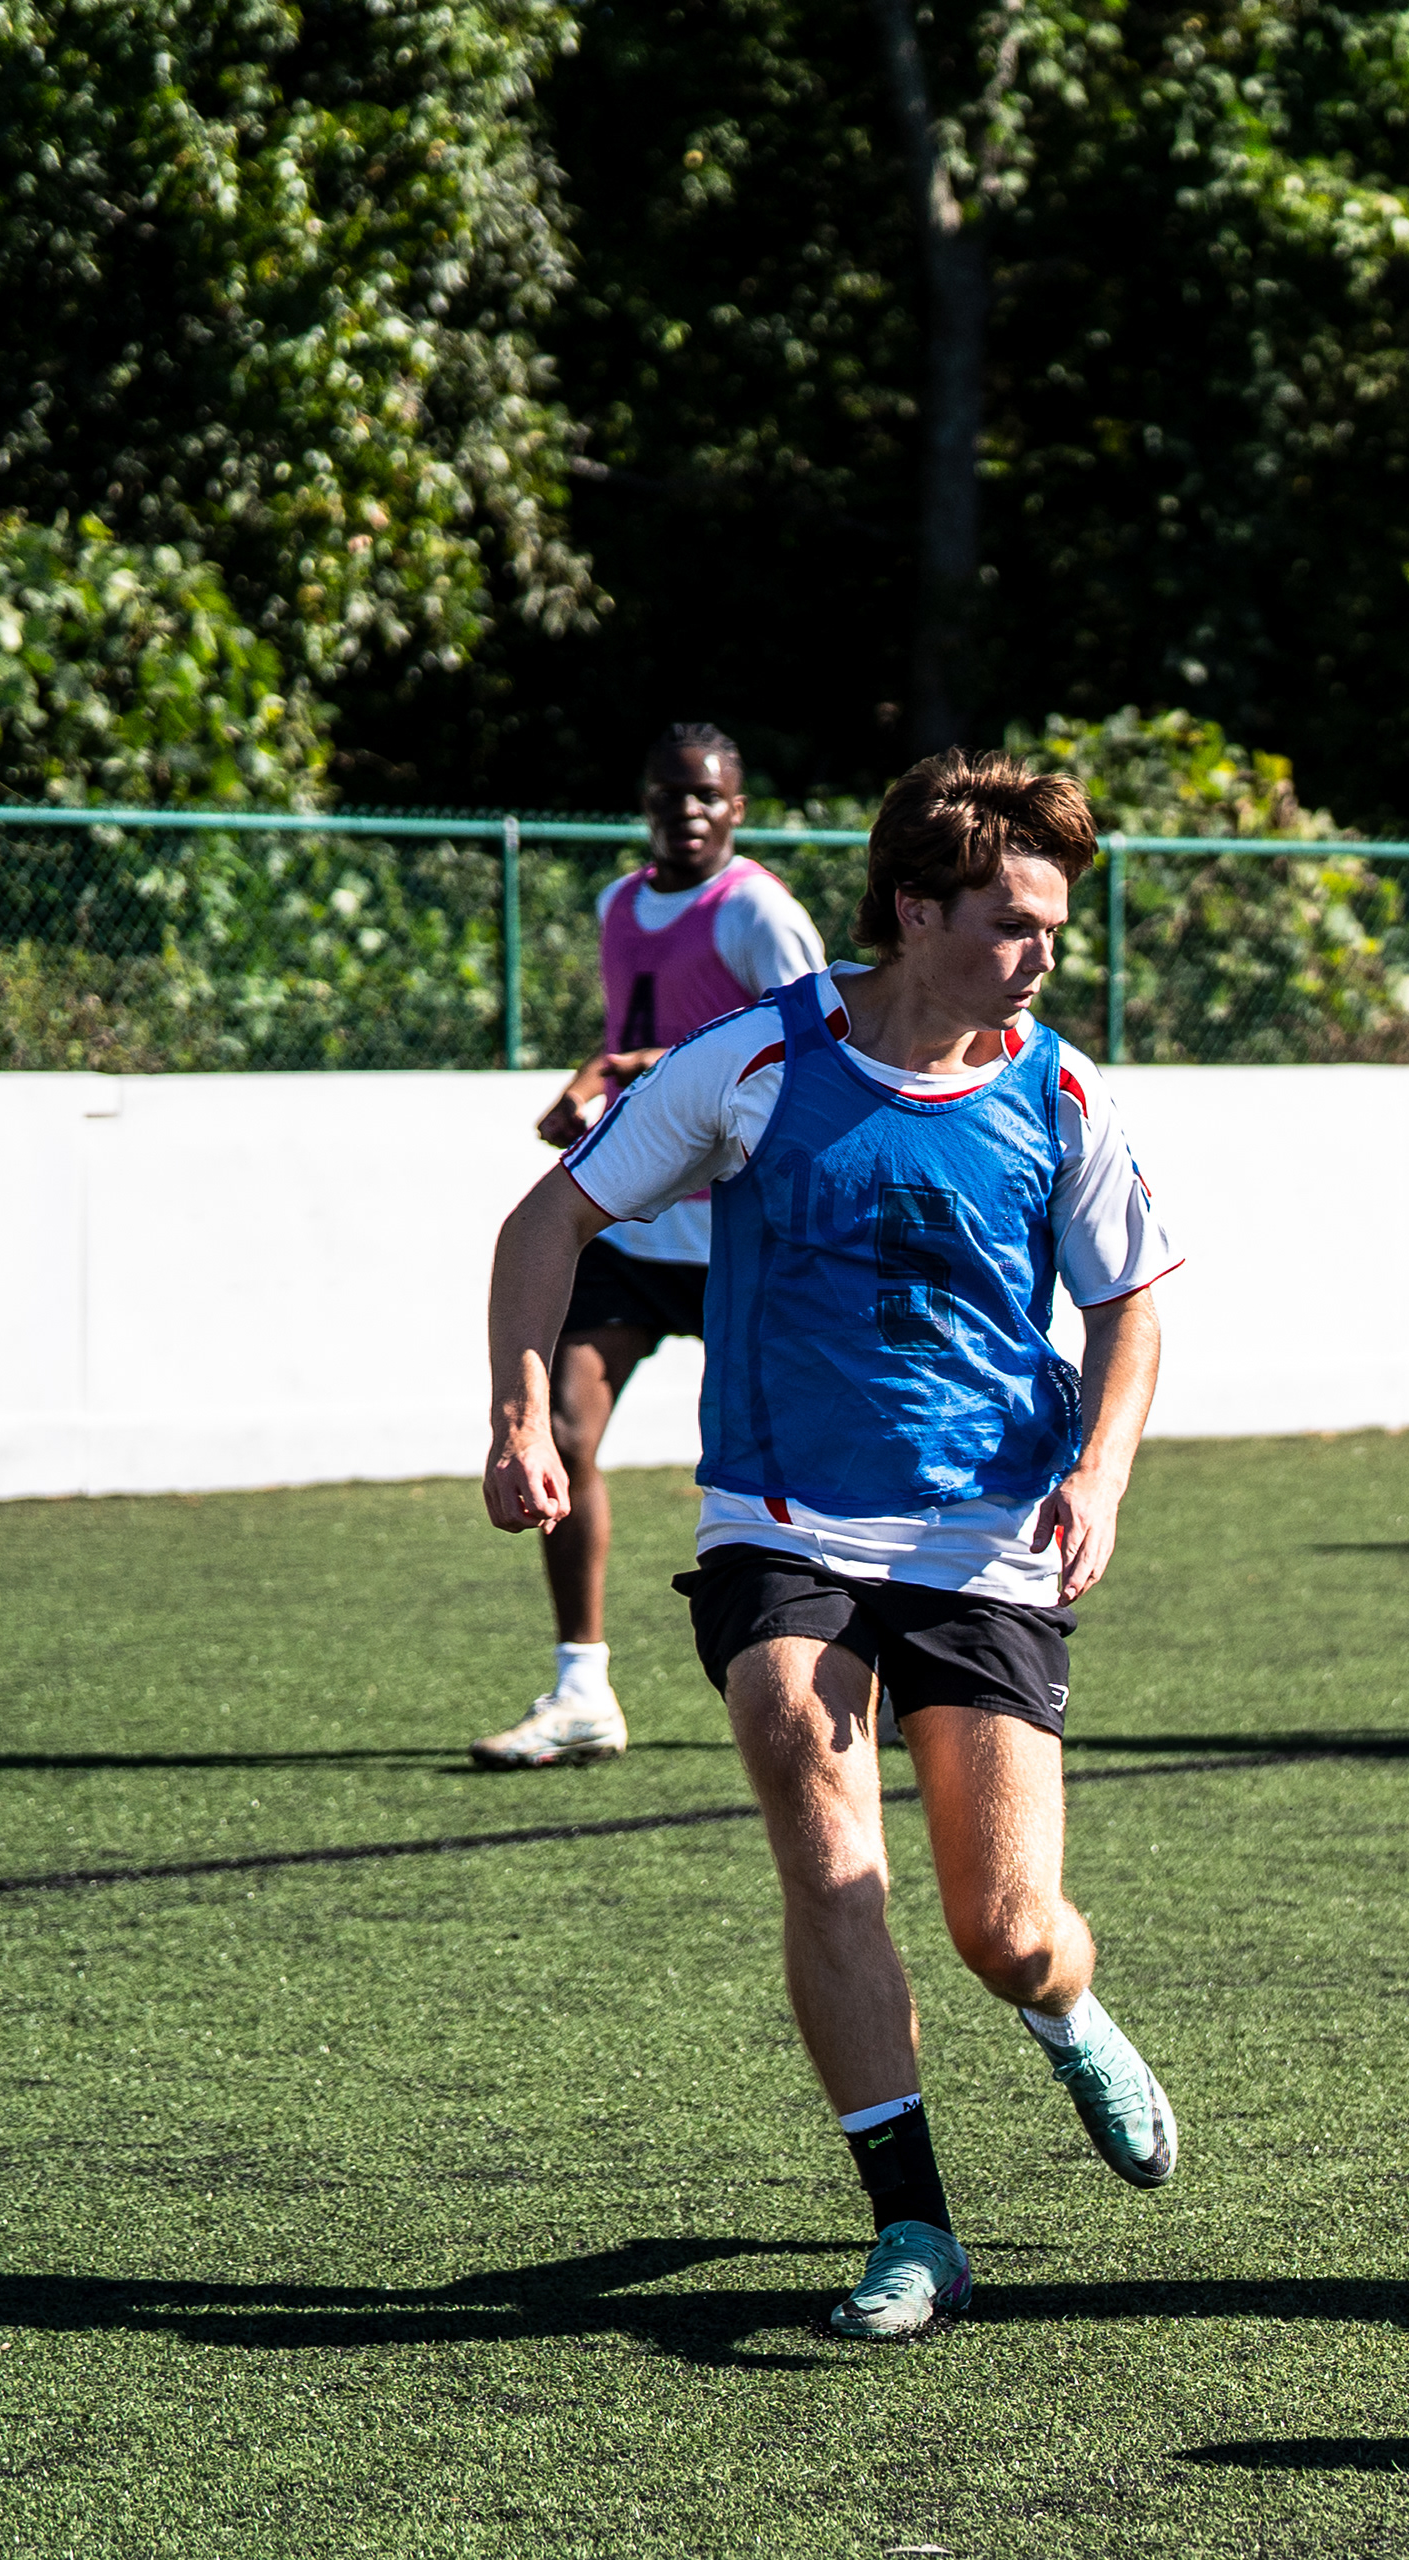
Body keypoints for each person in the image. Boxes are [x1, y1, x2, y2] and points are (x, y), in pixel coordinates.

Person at [479, 749, 1182, 2342]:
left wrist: (1103, 1475)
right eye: (1012, 923)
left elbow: (1132, 1300)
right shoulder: (756, 1060)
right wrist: (523, 1418)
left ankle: (1067, 2009)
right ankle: (913, 2226)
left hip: (988, 1537)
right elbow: (547, 1221)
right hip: (782, 1519)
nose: (1042, 954)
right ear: (916, 912)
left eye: (1054, 926)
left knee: (1004, 1930)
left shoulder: (1060, 1092)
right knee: (822, 1816)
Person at [474, 723, 827, 1770]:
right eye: (671, 793)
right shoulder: (619, 903)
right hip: (638, 1223)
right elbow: (633, 1038)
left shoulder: (760, 911)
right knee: (563, 1431)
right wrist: (596, 1087)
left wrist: (638, 1067)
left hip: (745, 1230)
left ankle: (872, 1667)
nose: (688, 811)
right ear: (646, 802)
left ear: (738, 809)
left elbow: (812, 1041)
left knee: (799, 1460)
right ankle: (581, 1687)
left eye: (708, 795)